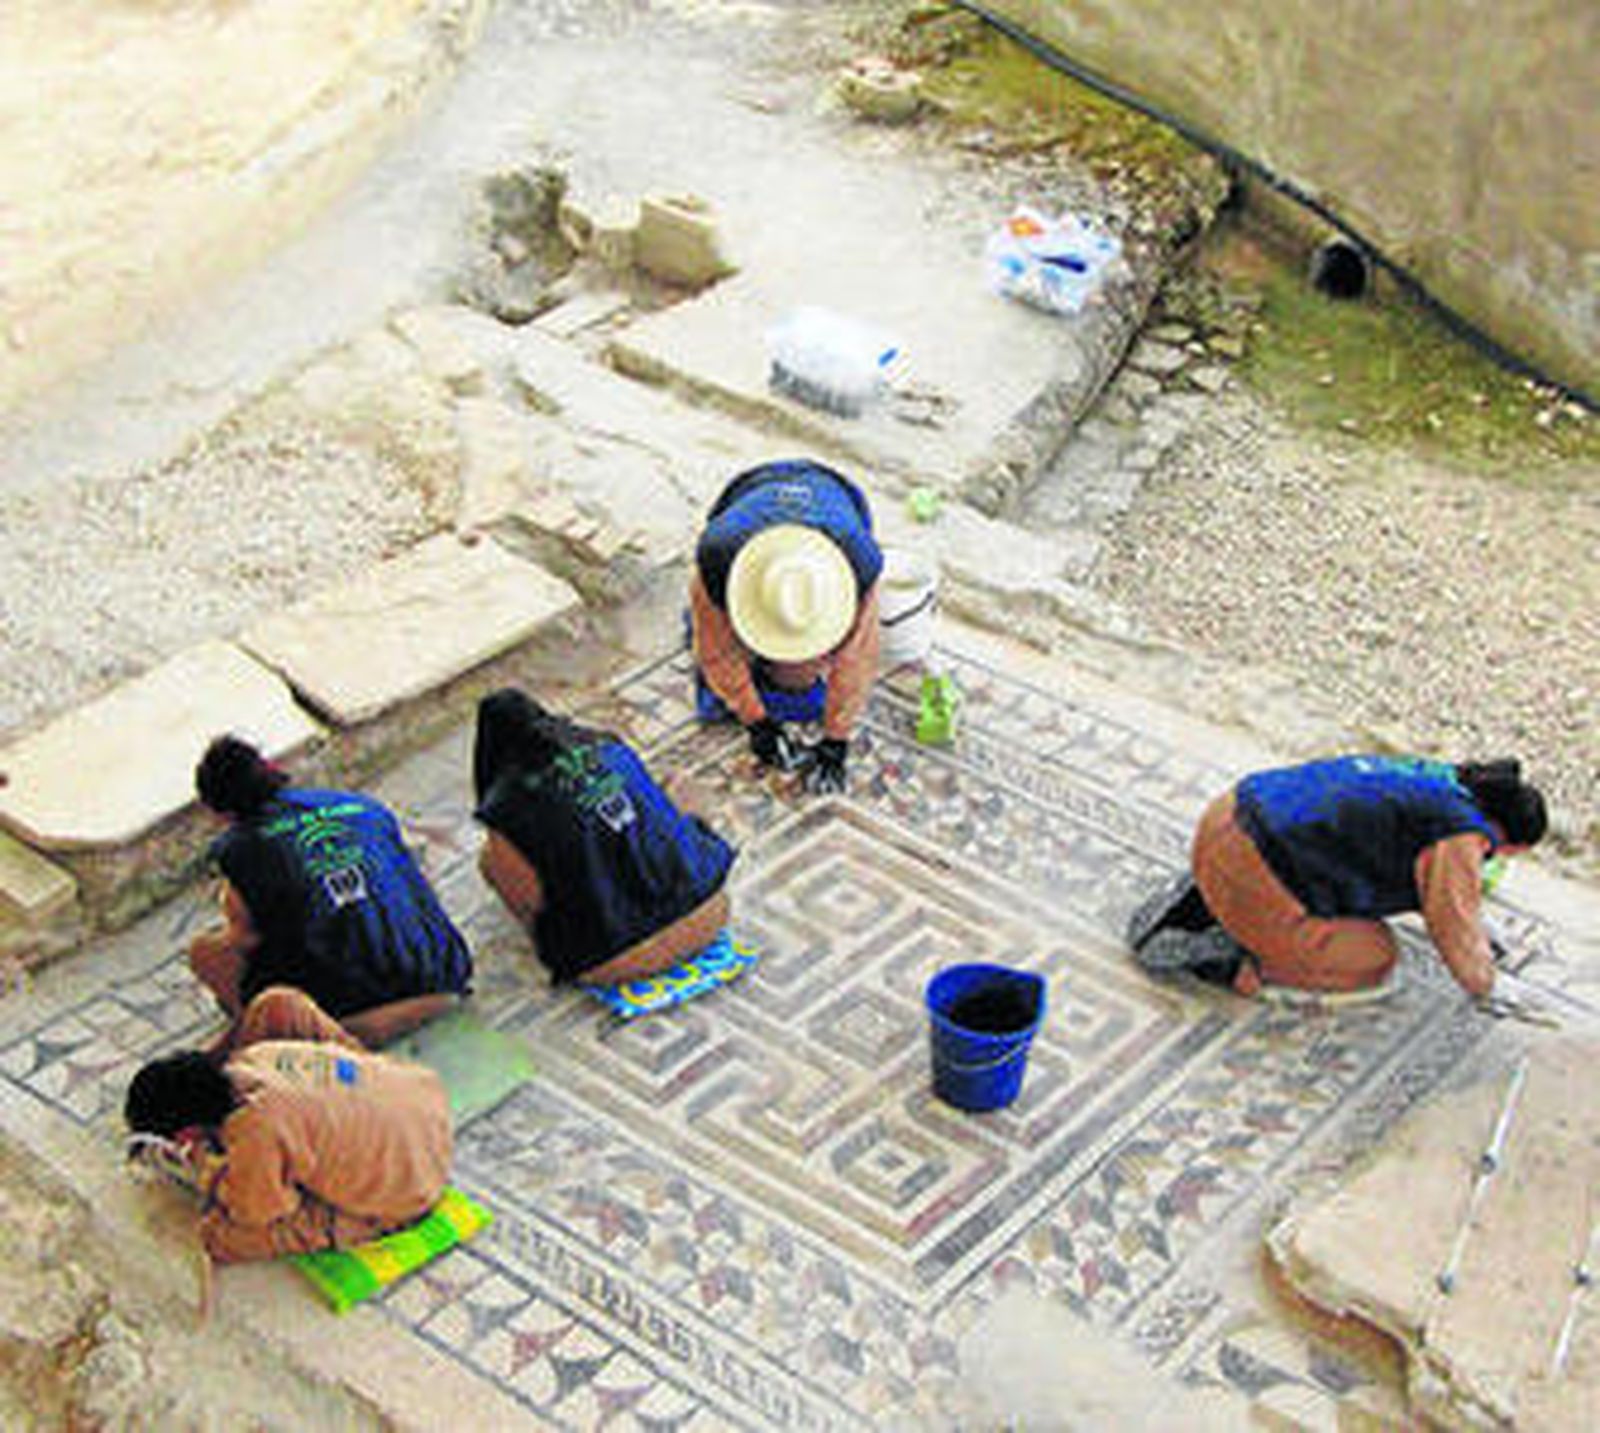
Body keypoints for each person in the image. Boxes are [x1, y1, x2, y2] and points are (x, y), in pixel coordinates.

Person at [1127, 755, 1548, 998]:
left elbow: (1444, 888)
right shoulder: (1462, 835)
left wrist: (1474, 918)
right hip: (1250, 867)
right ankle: (1227, 960)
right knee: (1371, 957)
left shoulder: (1438, 781)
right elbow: (1450, 923)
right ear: (1506, 841)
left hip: (1224, 819)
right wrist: (1489, 985)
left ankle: (1210, 896)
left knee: (1294, 871)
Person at [124, 986, 452, 1264]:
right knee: (279, 1006)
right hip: (422, 1098)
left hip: (414, 1183)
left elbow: (258, 1211)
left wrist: (207, 1169)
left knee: (222, 1238)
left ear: (186, 1135)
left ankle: (373, 1213)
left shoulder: (256, 1128)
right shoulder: (255, 1057)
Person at [187, 736, 472, 1051]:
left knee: (208, 953)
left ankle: (291, 1041)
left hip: (351, 1015)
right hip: (441, 977)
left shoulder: (239, 849)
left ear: (221, 812)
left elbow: (245, 937)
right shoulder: (362, 806)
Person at [472, 688, 738, 985]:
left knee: (491, 862)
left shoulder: (507, 805)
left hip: (614, 961)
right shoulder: (608, 747)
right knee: (669, 794)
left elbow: (529, 901)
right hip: (709, 912)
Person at [690, 458, 883, 795]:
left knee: (805, 686)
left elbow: (857, 662)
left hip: (833, 492)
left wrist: (836, 740)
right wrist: (757, 722)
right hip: (749, 493)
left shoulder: (859, 564)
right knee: (708, 658)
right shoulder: (719, 557)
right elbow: (716, 652)